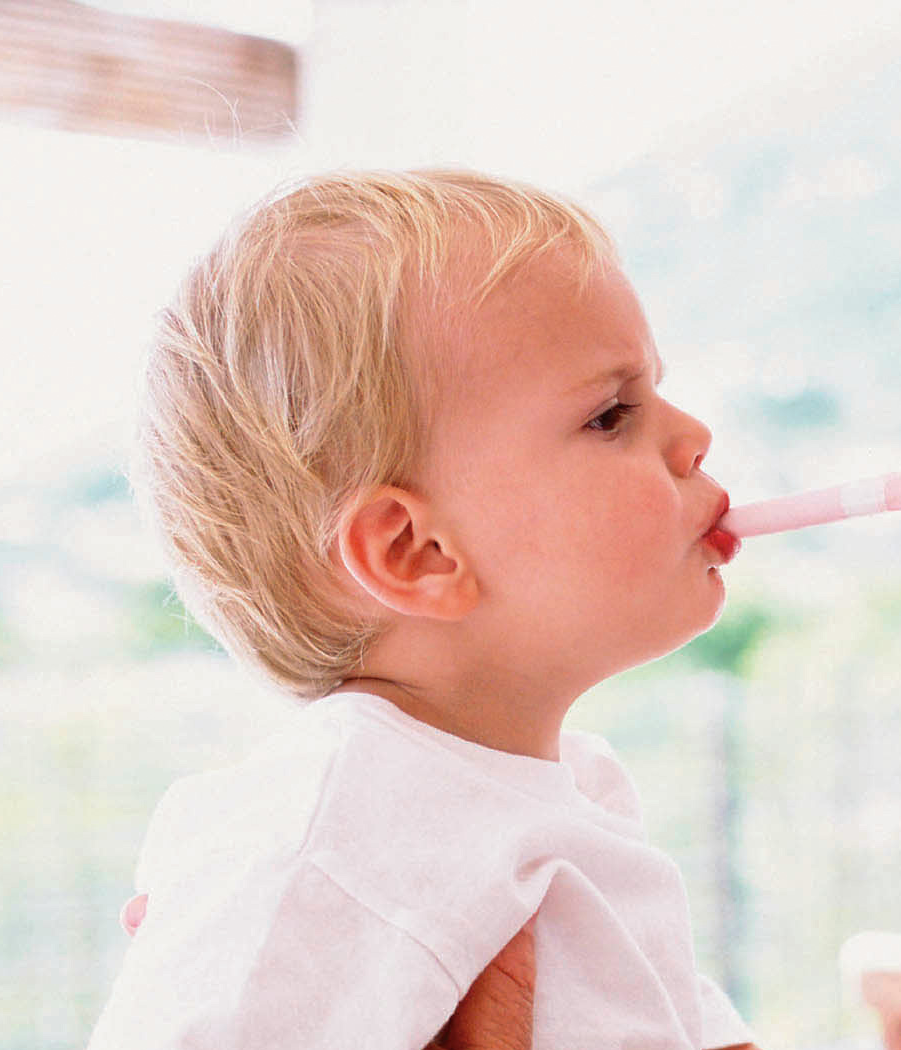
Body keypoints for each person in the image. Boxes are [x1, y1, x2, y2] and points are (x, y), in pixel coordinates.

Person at [89, 170, 757, 1050]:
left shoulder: (566, 797)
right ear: (416, 554)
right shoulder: (330, 842)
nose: (691, 433)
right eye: (610, 414)